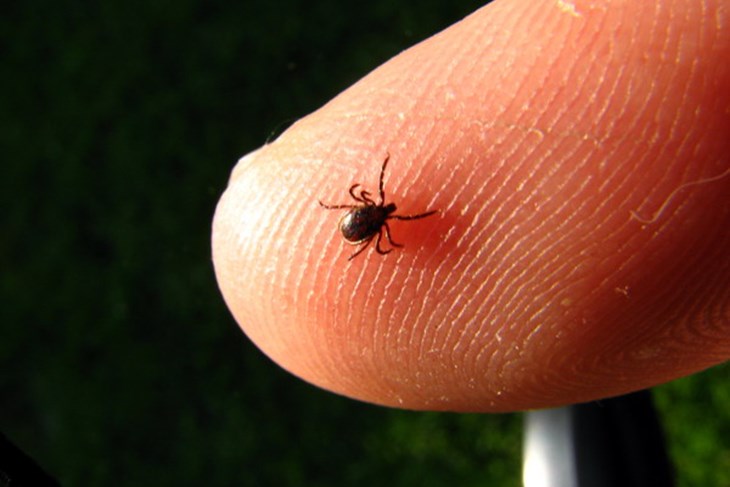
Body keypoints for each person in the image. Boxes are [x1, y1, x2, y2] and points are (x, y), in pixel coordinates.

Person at [212, 0, 729, 412]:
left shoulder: (368, 218)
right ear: (376, 213)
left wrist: (364, 234)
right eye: (381, 210)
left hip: (349, 229)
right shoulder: (379, 218)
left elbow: (364, 226)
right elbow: (374, 228)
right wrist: (382, 227)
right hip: (352, 230)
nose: (384, 209)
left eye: (381, 209)